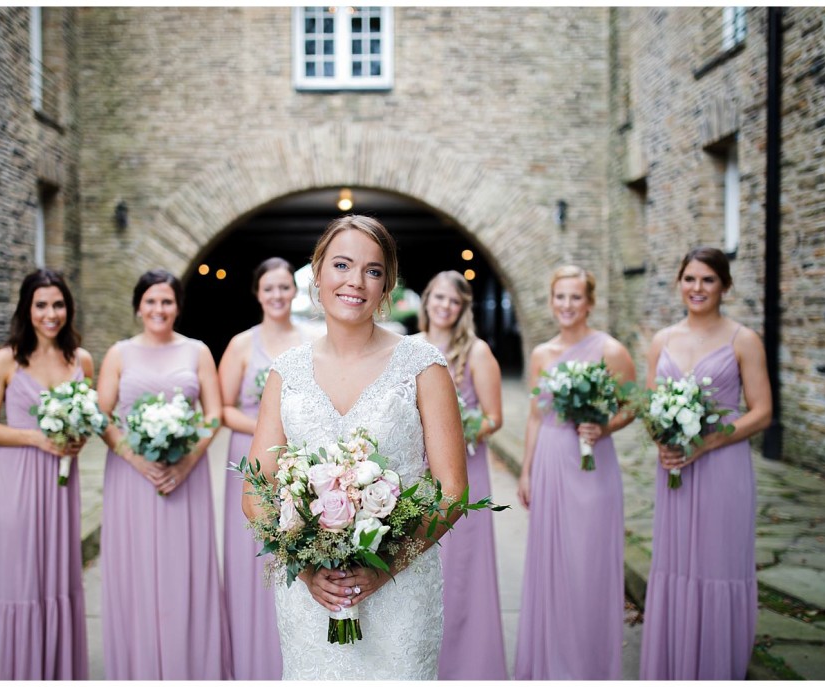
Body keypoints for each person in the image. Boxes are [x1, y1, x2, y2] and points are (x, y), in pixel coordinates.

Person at [242, 215, 467, 680]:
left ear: (387, 286)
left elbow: (452, 492)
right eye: (342, 264)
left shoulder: (423, 367)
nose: (355, 281)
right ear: (317, 273)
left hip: (401, 591)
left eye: (373, 270)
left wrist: (385, 569)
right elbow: (255, 491)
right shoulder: (286, 373)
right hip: (311, 598)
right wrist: (306, 571)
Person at [639, 247, 771, 680]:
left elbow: (761, 411)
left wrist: (709, 442)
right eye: (690, 279)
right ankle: (674, 665)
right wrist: (661, 441)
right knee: (676, 563)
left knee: (719, 562)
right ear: (679, 283)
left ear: (725, 286)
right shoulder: (662, 340)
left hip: (722, 467)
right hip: (675, 466)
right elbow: (652, 405)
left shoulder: (743, 339)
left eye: (708, 280)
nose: (698, 288)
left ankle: (716, 668)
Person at [96, 269, 231, 679]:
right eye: (151, 301)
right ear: (139, 306)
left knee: (182, 572)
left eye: (167, 301)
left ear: (177, 307)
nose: (159, 309)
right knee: (135, 573)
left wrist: (187, 461)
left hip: (185, 478)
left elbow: (213, 414)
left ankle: (188, 667)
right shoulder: (119, 353)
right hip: (130, 478)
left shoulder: (197, 351)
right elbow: (101, 416)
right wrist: (136, 460)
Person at [514, 265, 637, 680]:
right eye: (559, 297)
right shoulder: (541, 354)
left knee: (587, 567)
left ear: (589, 302)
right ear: (552, 302)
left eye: (575, 297)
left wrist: (605, 426)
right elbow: (534, 416)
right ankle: (552, 666)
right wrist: (527, 471)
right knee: (554, 567)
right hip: (550, 462)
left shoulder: (610, 350)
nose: (566, 305)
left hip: (592, 467)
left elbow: (631, 405)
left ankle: (589, 667)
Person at [0, 269, 92, 679]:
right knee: (20, 576)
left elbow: (86, 421)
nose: (50, 313)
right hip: (20, 480)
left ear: (67, 308)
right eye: (41, 304)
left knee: (58, 573)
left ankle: (57, 671)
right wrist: (36, 438)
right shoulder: (5, 360)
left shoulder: (81, 360)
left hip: (61, 484)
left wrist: (77, 440)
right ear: (27, 308)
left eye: (58, 304)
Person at [414, 270, 507, 680]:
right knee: (418, 564)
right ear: (427, 300)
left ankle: (467, 666)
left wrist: (454, 430)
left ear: (463, 308)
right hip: (416, 474)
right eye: (438, 298)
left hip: (464, 471)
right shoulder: (408, 348)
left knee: (461, 567)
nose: (444, 307)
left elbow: (494, 417)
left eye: (453, 301)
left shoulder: (477, 352)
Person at [218, 257, 307, 679]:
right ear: (258, 293)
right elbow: (222, 408)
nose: (277, 295)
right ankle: (253, 664)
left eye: (284, 287)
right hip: (250, 457)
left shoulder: (312, 340)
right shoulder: (240, 344)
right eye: (269, 288)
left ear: (295, 291)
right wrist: (270, 426)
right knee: (254, 556)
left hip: (299, 461)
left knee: (301, 542)